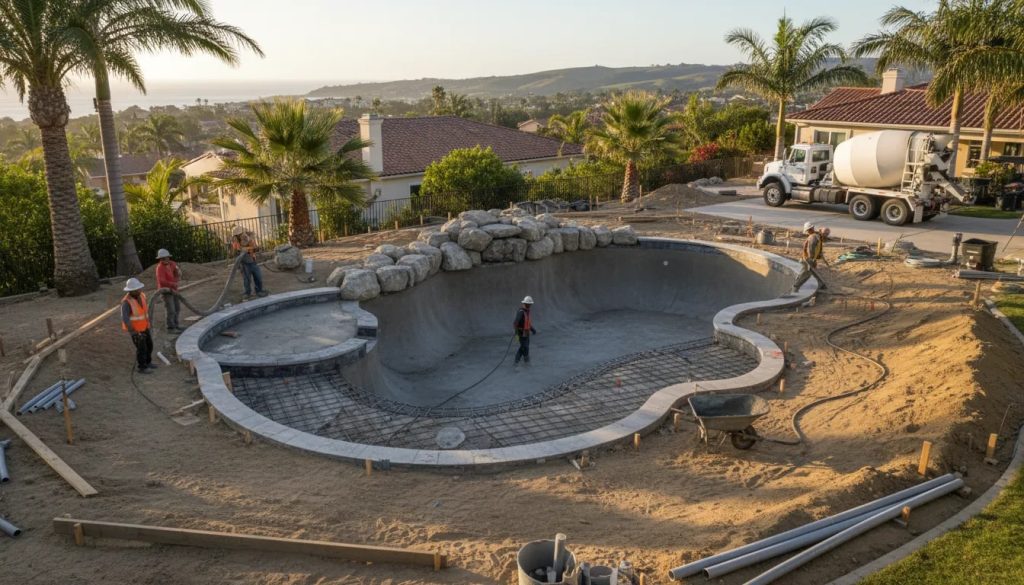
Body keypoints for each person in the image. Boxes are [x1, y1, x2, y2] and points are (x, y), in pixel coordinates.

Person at [121, 278, 155, 374]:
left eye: (139, 289)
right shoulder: (126, 302)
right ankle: (142, 367)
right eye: (137, 289)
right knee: (142, 348)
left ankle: (148, 362)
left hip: (144, 327)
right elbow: (125, 319)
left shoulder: (142, 296)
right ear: (131, 291)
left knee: (149, 345)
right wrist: (134, 332)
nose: (140, 290)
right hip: (136, 330)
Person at [230, 225, 268, 299]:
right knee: (247, 279)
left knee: (258, 277)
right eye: (240, 235)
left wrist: (250, 247)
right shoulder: (235, 242)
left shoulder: (248, 238)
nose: (243, 235)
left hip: (253, 261)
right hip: (244, 264)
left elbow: (255, 247)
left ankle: (259, 291)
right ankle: (247, 293)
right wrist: (244, 249)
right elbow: (237, 250)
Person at [792, 221, 828, 292]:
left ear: (809, 230)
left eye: (807, 230)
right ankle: (821, 285)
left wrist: (812, 259)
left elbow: (811, 249)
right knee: (808, 273)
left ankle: (795, 287)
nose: (807, 232)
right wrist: (814, 259)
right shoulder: (816, 236)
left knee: (806, 274)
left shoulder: (812, 237)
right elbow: (815, 249)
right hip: (808, 259)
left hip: (808, 259)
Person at [155, 248, 183, 332]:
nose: (165, 260)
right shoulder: (160, 268)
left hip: (174, 290)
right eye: (163, 258)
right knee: (171, 309)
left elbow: (177, 272)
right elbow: (162, 281)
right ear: (160, 259)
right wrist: (173, 284)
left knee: (177, 308)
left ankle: (176, 324)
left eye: (166, 258)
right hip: (166, 291)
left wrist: (177, 277)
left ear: (168, 257)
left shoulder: (172, 264)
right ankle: (170, 327)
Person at [513, 296, 537, 365]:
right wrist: (517, 333)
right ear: (525, 303)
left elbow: (527, 323)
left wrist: (532, 330)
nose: (530, 305)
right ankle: (516, 361)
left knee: (526, 347)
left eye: (530, 304)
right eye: (529, 304)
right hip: (520, 333)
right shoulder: (521, 312)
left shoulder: (527, 312)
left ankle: (526, 360)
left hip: (526, 333)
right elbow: (515, 323)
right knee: (523, 347)